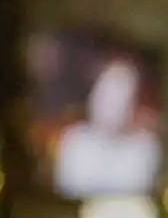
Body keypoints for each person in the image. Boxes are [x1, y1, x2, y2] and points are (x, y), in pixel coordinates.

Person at [54, 59, 160, 199]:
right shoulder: (73, 141)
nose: (113, 107)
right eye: (107, 95)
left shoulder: (145, 148)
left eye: (123, 98)